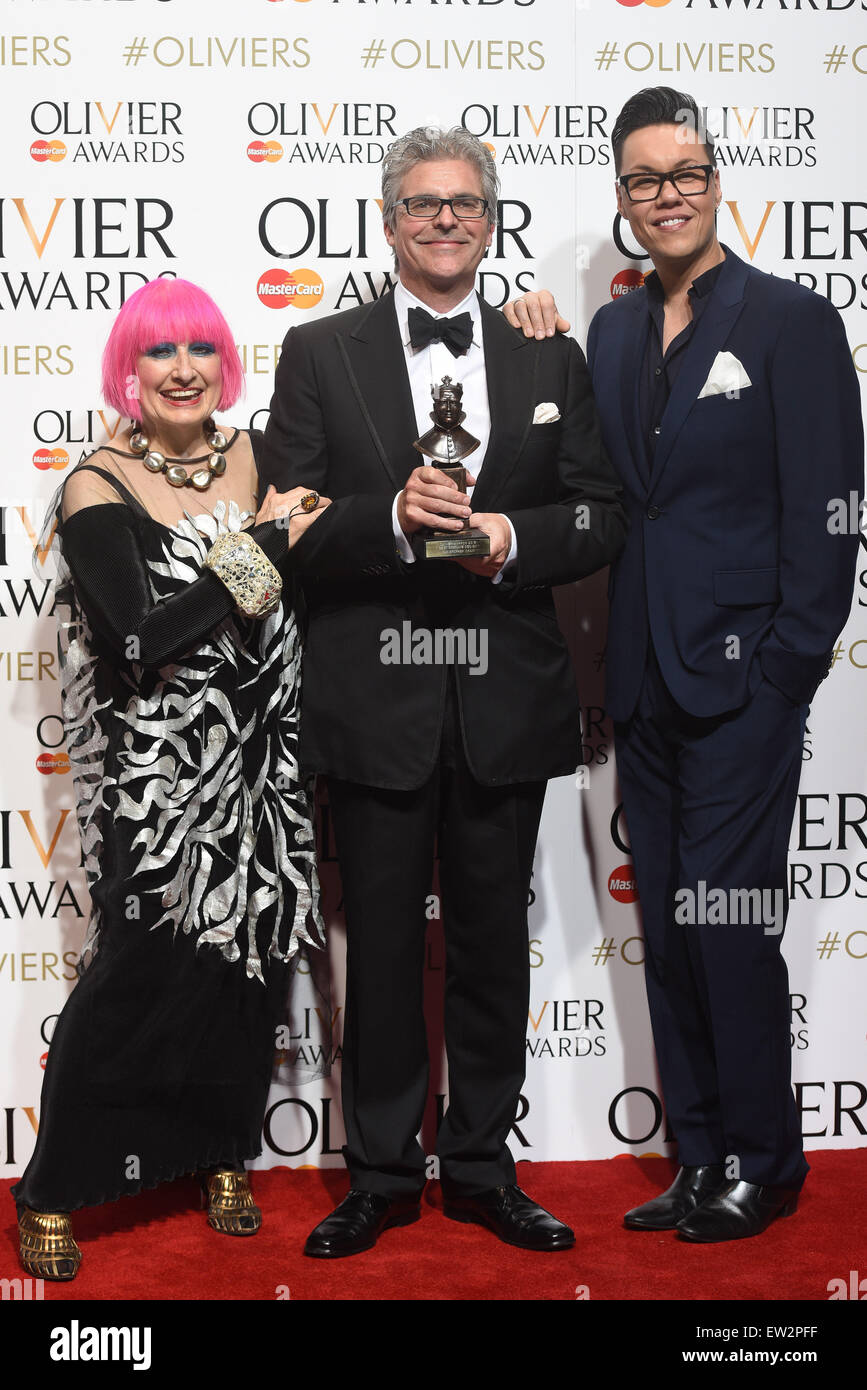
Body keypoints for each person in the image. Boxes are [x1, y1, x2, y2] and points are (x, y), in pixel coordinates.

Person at [259, 126, 627, 1258]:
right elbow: (285, 522)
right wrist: (389, 521)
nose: (446, 218)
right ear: (388, 219)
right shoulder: (319, 350)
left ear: (491, 216)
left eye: (466, 202)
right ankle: (377, 1175)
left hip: (506, 703)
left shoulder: (548, 355)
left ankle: (479, 1166)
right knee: (375, 951)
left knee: (489, 951)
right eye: (423, 203)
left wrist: (511, 537)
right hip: (375, 705)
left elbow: (599, 514)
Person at [506, 86, 863, 1241]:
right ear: (623, 197)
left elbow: (829, 508)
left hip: (744, 680)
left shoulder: (791, 323)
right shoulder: (609, 331)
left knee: (725, 921)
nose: (670, 194)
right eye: (647, 179)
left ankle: (768, 1155)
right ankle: (701, 1152)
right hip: (643, 686)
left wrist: (788, 667)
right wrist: (527, 344)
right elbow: (592, 487)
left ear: (718, 184)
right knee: (666, 920)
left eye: (688, 173)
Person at [12, 277, 328, 1280]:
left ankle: (216, 1153)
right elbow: (145, 637)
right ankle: (53, 1185)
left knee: (248, 970)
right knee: (138, 973)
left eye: (200, 347)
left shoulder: (263, 454)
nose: (183, 368)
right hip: (156, 783)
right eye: (159, 351)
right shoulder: (96, 485)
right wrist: (267, 544)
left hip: (265, 767)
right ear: (129, 369)